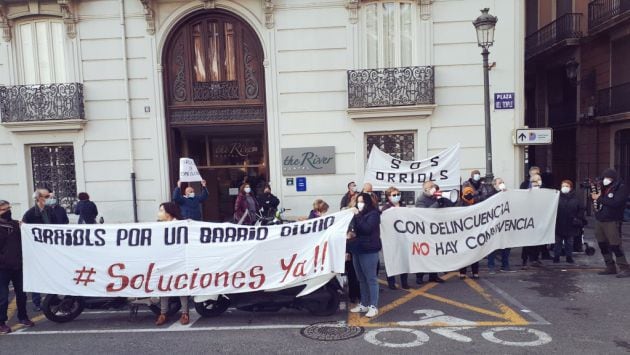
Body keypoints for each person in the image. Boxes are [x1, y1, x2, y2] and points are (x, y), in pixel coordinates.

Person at [0, 200, 35, 334]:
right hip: (2, 269)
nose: (8, 211)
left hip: (18, 266)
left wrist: (26, 228)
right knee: (3, 297)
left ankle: (23, 317)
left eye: (9, 208)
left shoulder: (15, 225)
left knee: (22, 294)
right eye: (4, 210)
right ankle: (1, 322)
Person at [22, 188, 58, 310]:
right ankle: (37, 302)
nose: (50, 198)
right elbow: (25, 230)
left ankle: (53, 298)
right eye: (47, 196)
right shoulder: (30, 213)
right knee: (37, 275)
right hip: (37, 250)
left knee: (53, 273)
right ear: (39, 198)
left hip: (51, 248)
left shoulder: (51, 211)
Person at [155, 202, 190, 325]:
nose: (159, 213)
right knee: (163, 287)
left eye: (161, 210)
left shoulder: (181, 224)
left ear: (169, 212)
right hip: (163, 260)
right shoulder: (157, 226)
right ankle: (163, 313)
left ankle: (185, 313)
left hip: (178, 260)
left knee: (181, 286)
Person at [591, 168, 630, 277]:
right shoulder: (603, 187)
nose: (605, 180)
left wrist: (599, 199)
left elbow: (615, 203)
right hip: (600, 219)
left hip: (612, 220)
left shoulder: (621, 188)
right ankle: (610, 266)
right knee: (602, 244)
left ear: (613, 178)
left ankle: (624, 267)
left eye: (608, 178)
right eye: (604, 178)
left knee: (615, 245)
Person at [348, 193, 381, 318]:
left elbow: (366, 229)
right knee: (361, 279)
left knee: (371, 279)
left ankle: (373, 305)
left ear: (367, 202)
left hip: (369, 250)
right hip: (357, 249)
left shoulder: (374, 214)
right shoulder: (359, 214)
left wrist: (357, 215)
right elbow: (355, 229)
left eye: (362, 201)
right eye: (358, 201)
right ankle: (364, 303)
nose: (359, 203)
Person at [459, 170, 492, 279]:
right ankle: (462, 271)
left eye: (478, 174)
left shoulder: (483, 185)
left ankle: (475, 271)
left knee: (475, 245)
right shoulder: (466, 185)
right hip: (467, 219)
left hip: (478, 218)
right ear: (471, 176)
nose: (476, 176)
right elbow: (467, 196)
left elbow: (486, 197)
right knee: (464, 246)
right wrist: (474, 197)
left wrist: (475, 197)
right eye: (475, 174)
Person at [414, 181, 445, 284]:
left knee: (435, 253)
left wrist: (443, 199)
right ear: (425, 189)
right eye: (431, 187)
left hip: (435, 230)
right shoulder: (420, 200)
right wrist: (437, 203)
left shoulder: (435, 196)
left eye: (433, 186)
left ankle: (433, 275)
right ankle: (420, 276)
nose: (433, 188)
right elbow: (425, 214)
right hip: (424, 231)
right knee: (423, 254)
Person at [382, 187, 409, 290]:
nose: (397, 196)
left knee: (404, 260)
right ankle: (391, 283)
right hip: (391, 239)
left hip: (403, 237)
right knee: (391, 260)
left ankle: (404, 282)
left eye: (398, 194)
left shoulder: (403, 205)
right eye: (394, 195)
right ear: (389, 197)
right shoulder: (386, 208)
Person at [486, 178, 515, 273]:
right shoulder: (490, 195)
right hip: (494, 225)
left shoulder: (507, 194)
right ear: (494, 185)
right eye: (499, 183)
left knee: (506, 245)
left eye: (503, 182)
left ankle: (505, 264)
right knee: (493, 246)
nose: (502, 184)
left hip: (505, 224)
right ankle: (491, 266)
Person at [554, 180, 584, 264]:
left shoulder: (576, 198)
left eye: (567, 186)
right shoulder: (556, 197)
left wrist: (577, 218)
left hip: (571, 223)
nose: (564, 188)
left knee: (569, 242)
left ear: (570, 187)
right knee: (557, 242)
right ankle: (556, 257)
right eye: (563, 186)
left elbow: (581, 209)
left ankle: (569, 257)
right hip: (558, 223)